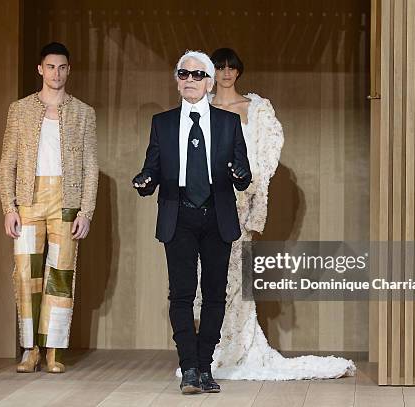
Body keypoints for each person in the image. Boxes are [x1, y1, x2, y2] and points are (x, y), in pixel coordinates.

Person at [190, 47, 355, 380]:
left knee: (236, 276)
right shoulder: (199, 108)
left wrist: (251, 190)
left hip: (239, 201)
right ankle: (211, 349)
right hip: (204, 202)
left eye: (230, 67)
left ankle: (238, 348)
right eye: (219, 67)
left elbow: (267, 154)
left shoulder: (257, 108)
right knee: (204, 276)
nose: (225, 73)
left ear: (238, 72)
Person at [132, 50, 251, 394]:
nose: (190, 80)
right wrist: (144, 180)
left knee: (214, 295)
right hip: (178, 213)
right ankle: (188, 368)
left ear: (210, 82)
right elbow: (151, 169)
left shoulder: (228, 123)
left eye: (198, 75)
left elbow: (243, 176)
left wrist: (241, 174)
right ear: (177, 80)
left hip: (217, 214)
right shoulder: (163, 122)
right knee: (181, 295)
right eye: (184, 74)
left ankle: (204, 365)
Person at [0, 42, 98, 374]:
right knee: (26, 274)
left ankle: (54, 349)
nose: (56, 73)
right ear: (40, 69)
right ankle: (31, 348)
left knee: (61, 274)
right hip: (28, 199)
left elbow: (90, 165)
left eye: (62, 67)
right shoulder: (20, 109)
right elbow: (7, 162)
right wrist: (8, 207)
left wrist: (85, 212)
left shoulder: (83, 112)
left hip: (66, 200)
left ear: (69, 70)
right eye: (50, 67)